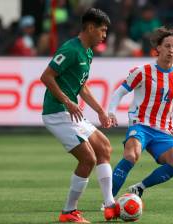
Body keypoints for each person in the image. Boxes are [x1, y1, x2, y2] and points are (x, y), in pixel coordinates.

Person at [40, 8, 118, 223]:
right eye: (102, 30)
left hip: (70, 112)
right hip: (57, 113)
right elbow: (46, 77)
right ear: (90, 28)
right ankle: (68, 212)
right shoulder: (71, 49)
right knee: (88, 159)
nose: (104, 35)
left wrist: (100, 111)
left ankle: (110, 205)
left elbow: (82, 85)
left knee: (104, 147)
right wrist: (67, 101)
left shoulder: (88, 52)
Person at [108, 26, 173, 199]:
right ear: (158, 48)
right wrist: (111, 112)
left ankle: (139, 187)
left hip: (163, 131)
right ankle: (109, 201)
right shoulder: (142, 71)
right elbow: (120, 91)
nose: (171, 50)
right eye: (167, 46)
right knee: (131, 155)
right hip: (140, 125)